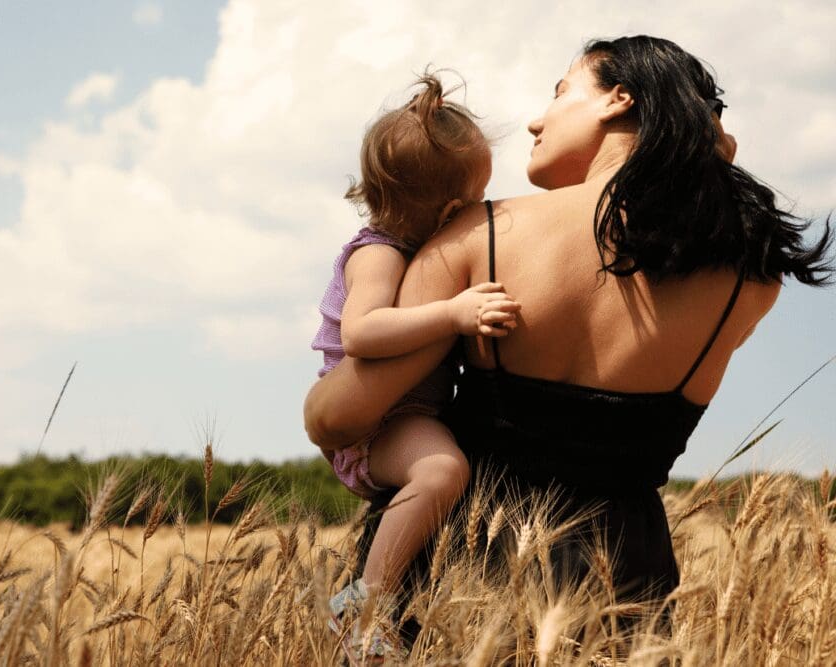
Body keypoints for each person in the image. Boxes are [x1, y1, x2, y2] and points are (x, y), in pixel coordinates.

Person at [304, 35, 832, 645]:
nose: (536, 119)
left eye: (560, 92)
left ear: (617, 100)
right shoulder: (749, 276)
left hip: (459, 585)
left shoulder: (482, 234)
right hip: (623, 593)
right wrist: (707, 154)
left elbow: (336, 417)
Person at [308, 73, 520, 658]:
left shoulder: (408, 250)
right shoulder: (377, 252)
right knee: (442, 473)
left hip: (405, 412)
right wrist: (453, 313)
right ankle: (364, 607)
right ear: (453, 207)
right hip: (377, 424)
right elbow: (363, 332)